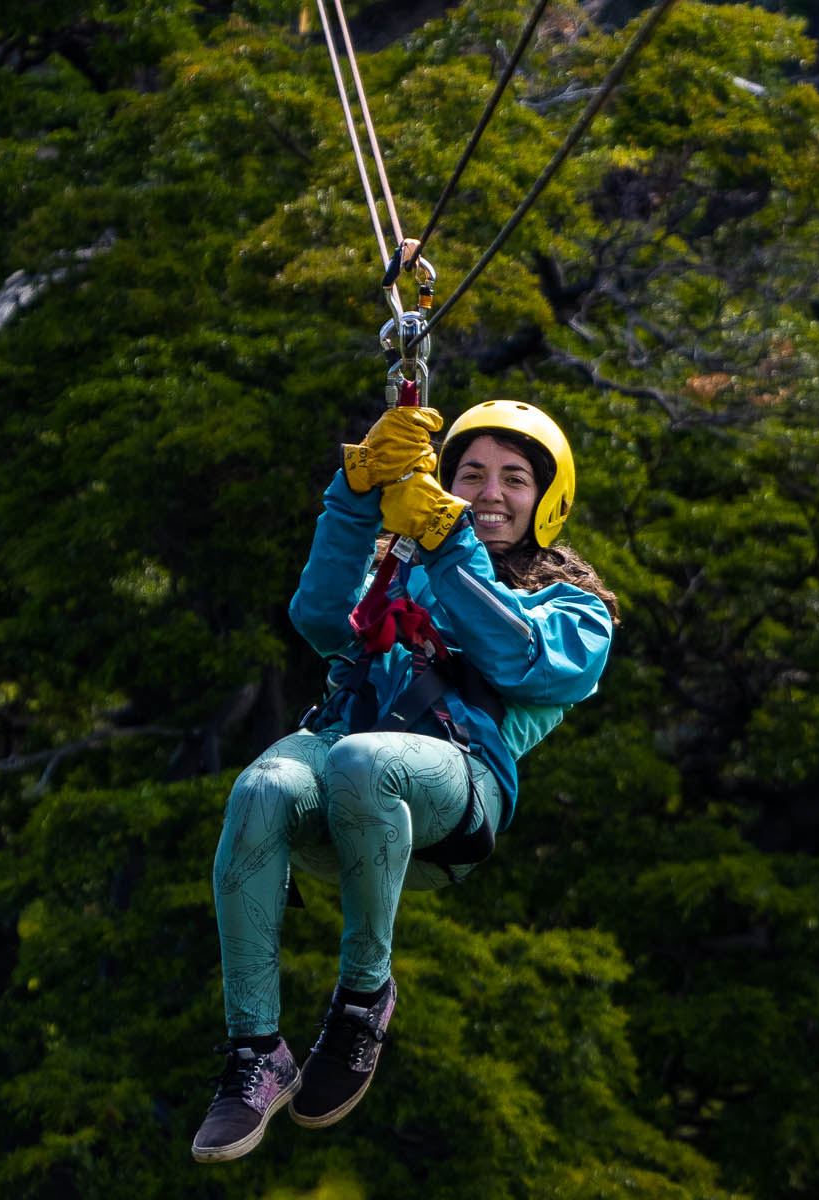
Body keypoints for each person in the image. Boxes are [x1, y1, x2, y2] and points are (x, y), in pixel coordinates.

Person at [191, 399, 618, 1163]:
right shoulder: (406, 570)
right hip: (347, 776)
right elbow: (321, 616)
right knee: (261, 789)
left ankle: (362, 1002)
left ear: (546, 499)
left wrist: (447, 543)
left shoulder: (575, 611)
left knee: (363, 760)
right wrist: (355, 495)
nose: (490, 492)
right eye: (471, 474)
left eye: (514, 478)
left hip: (455, 797)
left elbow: (518, 658)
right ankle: (255, 1051)